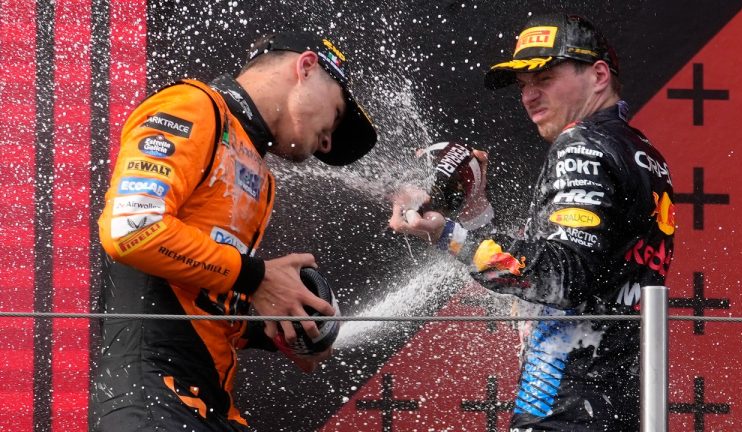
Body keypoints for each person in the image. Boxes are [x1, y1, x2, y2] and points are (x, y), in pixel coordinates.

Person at [390, 14, 675, 431]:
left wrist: (446, 233)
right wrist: (476, 215)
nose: (529, 95)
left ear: (598, 75)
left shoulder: (582, 144)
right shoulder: (642, 152)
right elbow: (562, 284)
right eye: (523, 84)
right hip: (611, 406)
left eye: (543, 76)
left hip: (563, 411)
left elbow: (559, 276)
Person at [91, 32, 377, 432]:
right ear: (307, 67)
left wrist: (280, 326)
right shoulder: (193, 106)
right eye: (337, 113)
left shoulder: (259, 172)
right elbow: (131, 229)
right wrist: (256, 276)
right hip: (153, 401)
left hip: (209, 406)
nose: (328, 141)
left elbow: (198, 293)